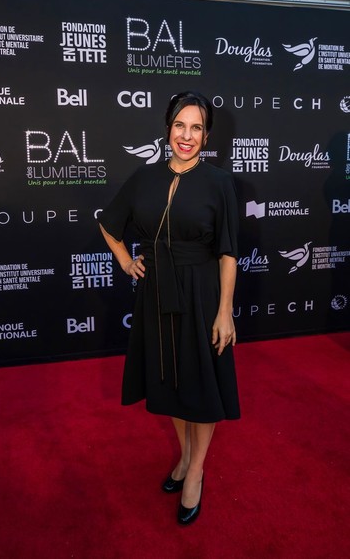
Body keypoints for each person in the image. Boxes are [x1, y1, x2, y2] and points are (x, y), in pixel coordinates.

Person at [99, 90, 240, 526]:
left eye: (196, 127)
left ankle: (195, 471)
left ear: (206, 135)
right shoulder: (144, 178)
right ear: (167, 128)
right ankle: (183, 458)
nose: (187, 135)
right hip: (157, 292)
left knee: (202, 385)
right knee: (172, 383)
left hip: (201, 294)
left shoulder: (219, 182)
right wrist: (126, 261)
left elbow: (228, 253)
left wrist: (224, 311)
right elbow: (109, 223)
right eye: (180, 125)